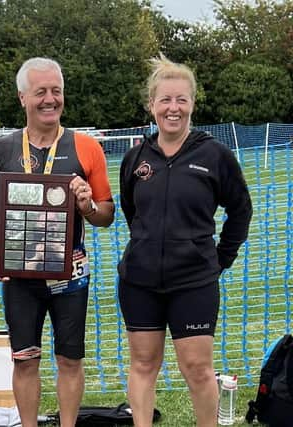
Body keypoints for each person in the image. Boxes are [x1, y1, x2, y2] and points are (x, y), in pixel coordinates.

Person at [0, 57, 115, 427]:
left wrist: (87, 205)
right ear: (23, 97)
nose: (50, 99)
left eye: (56, 91)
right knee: (25, 358)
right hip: (21, 275)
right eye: (41, 92)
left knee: (70, 359)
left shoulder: (86, 147)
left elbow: (107, 214)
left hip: (69, 272)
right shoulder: (0, 151)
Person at [118, 54, 252, 427]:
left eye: (181, 99)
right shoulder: (135, 159)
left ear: (193, 103)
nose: (173, 108)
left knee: (197, 368)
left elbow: (241, 210)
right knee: (143, 364)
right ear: (152, 105)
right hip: (139, 282)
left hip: (194, 282)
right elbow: (133, 213)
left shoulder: (215, 155)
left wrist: (218, 260)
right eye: (165, 100)